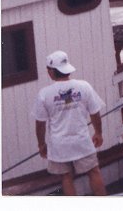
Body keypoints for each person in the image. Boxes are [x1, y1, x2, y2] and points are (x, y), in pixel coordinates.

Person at [33, 50, 106, 196]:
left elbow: (40, 124)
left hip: (59, 145)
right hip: (81, 141)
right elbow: (95, 112)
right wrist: (98, 132)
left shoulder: (44, 94)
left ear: (51, 72)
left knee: (66, 177)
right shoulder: (84, 86)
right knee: (93, 171)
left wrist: (41, 144)